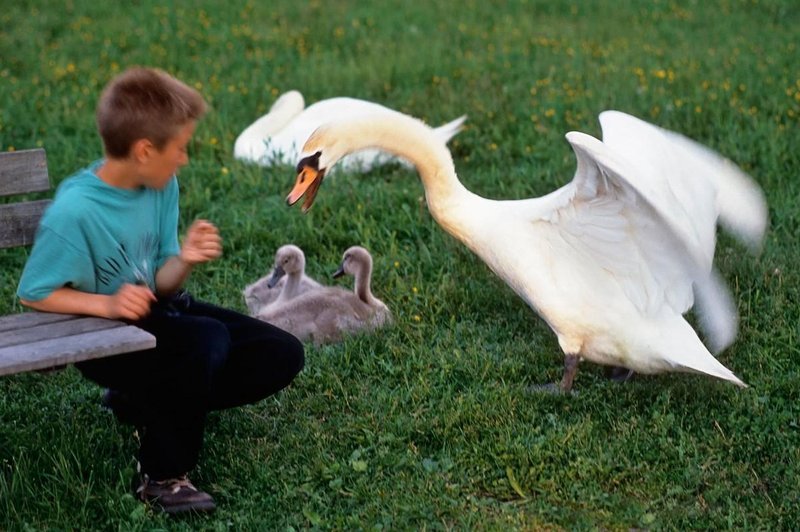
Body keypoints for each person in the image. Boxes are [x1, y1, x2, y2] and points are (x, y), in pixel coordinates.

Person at [16, 67, 305, 514]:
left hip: (159, 311)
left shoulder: (160, 183)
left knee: (281, 351)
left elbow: (161, 284)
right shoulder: (75, 212)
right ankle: (162, 475)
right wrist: (107, 304)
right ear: (145, 150)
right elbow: (34, 293)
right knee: (206, 341)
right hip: (105, 340)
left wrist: (184, 259)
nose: (185, 159)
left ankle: (148, 400)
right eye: (180, 148)